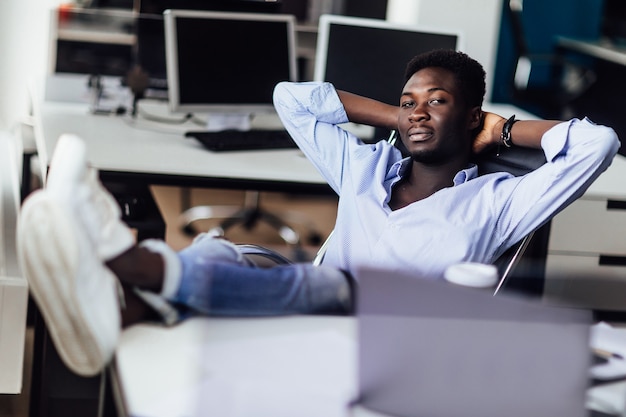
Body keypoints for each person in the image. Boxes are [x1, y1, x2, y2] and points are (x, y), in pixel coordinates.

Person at [18, 49, 619, 377]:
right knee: (227, 250)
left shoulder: (497, 202)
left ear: (471, 118)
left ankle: (124, 261)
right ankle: (119, 305)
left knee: (326, 279)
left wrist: (505, 128)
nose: (418, 112)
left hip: (381, 328)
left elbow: (600, 144)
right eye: (409, 101)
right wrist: (399, 116)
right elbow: (294, 99)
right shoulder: (365, 167)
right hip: (309, 290)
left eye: (438, 102)